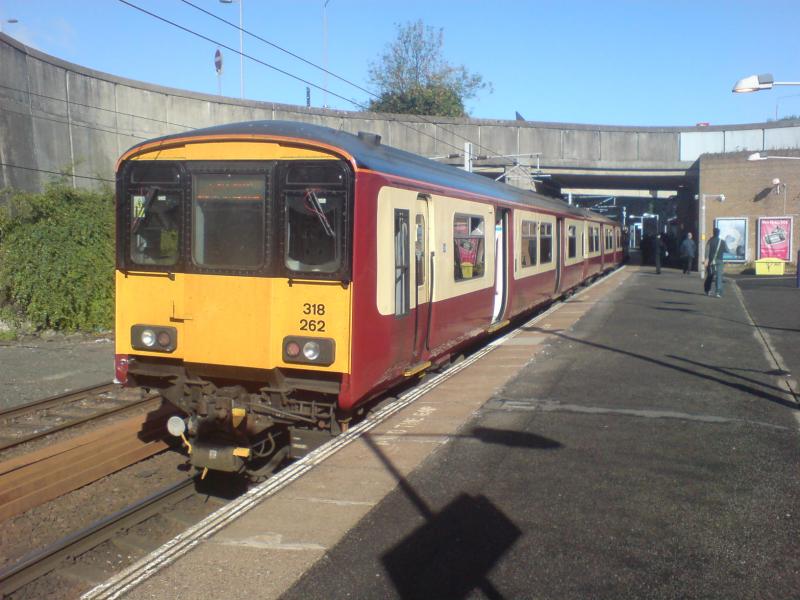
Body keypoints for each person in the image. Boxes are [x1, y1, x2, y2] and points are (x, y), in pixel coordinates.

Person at [704, 228, 729, 297]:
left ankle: (707, 290)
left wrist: (706, 259)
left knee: (710, 275)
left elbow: (707, 251)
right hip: (720, 261)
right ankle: (718, 292)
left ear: (713, 233)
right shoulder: (722, 242)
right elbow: (727, 250)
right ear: (719, 233)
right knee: (719, 276)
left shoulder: (710, 241)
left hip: (711, 261)